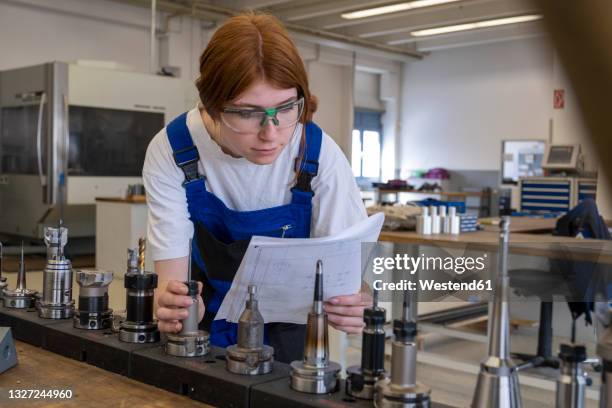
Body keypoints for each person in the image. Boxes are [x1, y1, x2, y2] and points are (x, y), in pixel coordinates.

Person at [143, 12, 370, 363]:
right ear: (211, 103)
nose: (272, 133)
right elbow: (170, 281)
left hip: (288, 330)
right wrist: (173, 302)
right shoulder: (173, 149)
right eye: (247, 113)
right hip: (204, 324)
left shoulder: (318, 152)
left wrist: (356, 302)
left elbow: (347, 276)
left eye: (286, 108)